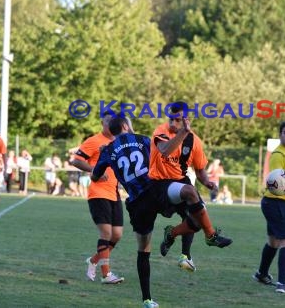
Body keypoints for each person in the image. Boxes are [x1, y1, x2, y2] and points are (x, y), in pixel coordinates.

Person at [92, 114, 231, 308]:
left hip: (138, 203)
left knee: (144, 250)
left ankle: (147, 300)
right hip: (157, 191)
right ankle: (185, 252)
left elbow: (95, 176)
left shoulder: (107, 150)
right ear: (125, 125)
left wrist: (105, 156)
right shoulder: (143, 140)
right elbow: (162, 160)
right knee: (193, 211)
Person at [151, 102, 232, 272]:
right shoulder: (161, 131)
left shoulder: (194, 140)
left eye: (178, 120)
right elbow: (165, 150)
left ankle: (172, 235)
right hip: (159, 183)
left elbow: (200, 170)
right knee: (190, 191)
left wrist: (208, 182)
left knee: (196, 220)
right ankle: (211, 236)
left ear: (186, 119)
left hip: (180, 181)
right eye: (171, 119)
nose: (173, 123)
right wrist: (183, 131)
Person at [70, 113, 124, 284]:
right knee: (106, 233)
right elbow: (76, 161)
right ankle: (106, 275)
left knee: (117, 235)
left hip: (114, 194)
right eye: (108, 121)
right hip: (98, 193)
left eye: (113, 122)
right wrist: (95, 170)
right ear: (102, 123)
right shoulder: (93, 140)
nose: (110, 124)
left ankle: (93, 260)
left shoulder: (119, 142)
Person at [253, 121, 285, 293]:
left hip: (273, 203)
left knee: (274, 242)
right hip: (277, 203)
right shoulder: (278, 154)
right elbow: (276, 181)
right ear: (280, 135)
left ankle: (262, 274)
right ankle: (282, 284)